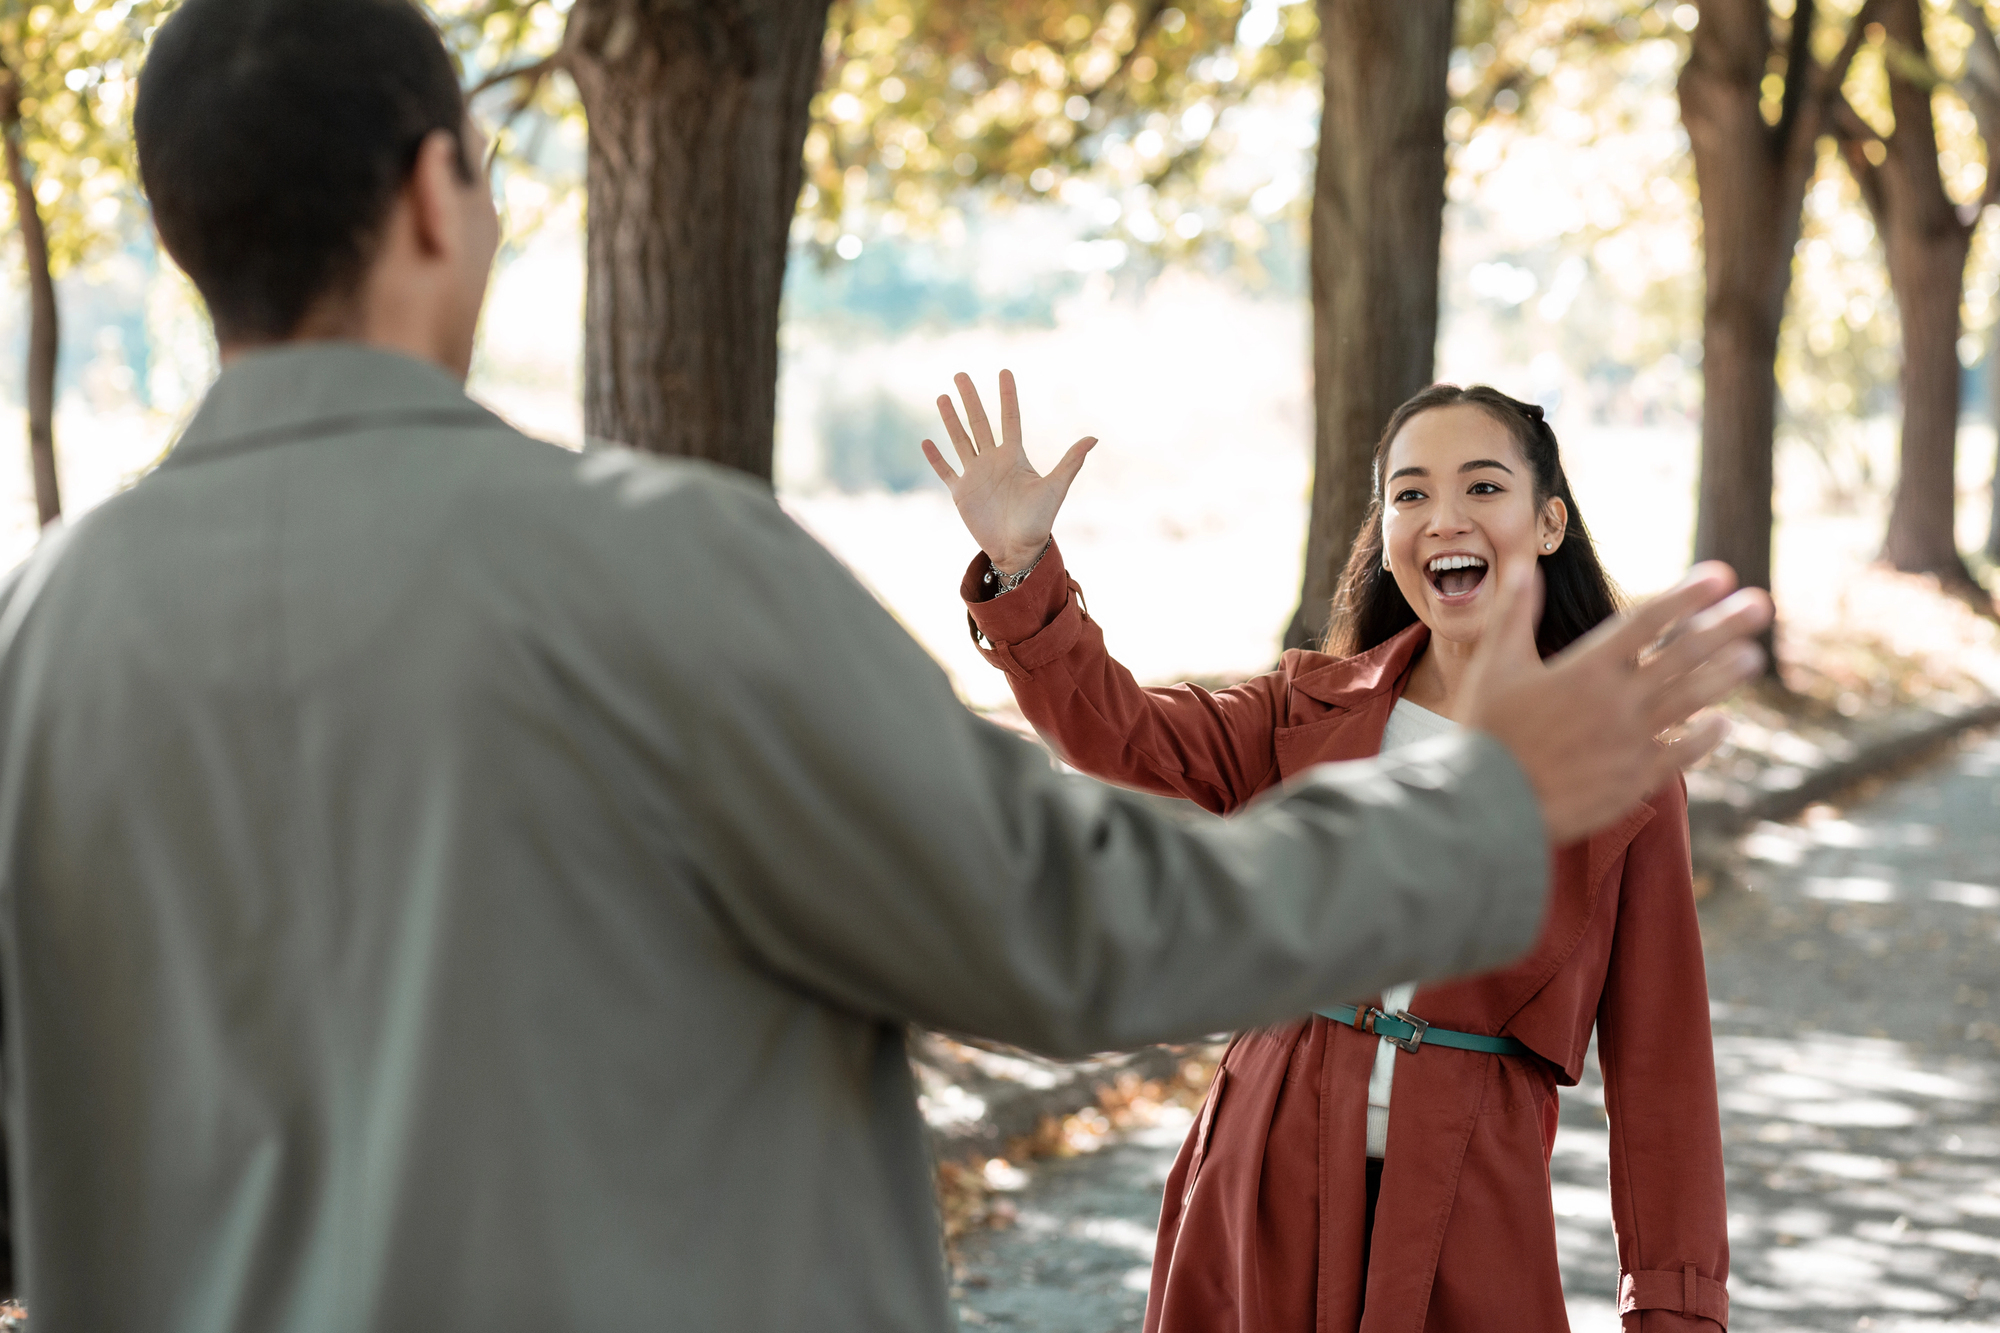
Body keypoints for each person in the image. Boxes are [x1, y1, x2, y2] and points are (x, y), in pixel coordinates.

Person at [0, 0, 1767, 1329]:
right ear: (439, 197)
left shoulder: (34, 641)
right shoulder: (656, 565)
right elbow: (1069, 919)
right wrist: (1486, 803)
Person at [925, 374, 1731, 1330]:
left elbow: (1663, 1074)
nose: (1444, 518)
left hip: (1472, 1204)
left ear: (1548, 522)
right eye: (1411, 493)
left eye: (1482, 487)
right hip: (1262, 1170)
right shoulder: (1306, 709)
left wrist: (1676, 1311)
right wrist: (1024, 570)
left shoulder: (1622, 774)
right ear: (1385, 537)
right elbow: (1121, 731)